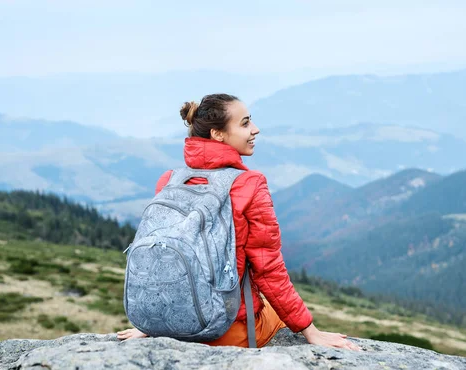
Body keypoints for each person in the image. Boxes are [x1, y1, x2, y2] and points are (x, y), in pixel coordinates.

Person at [117, 93, 359, 350]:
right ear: (218, 134)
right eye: (244, 123)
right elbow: (269, 270)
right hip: (225, 330)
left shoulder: (169, 181)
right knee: (277, 315)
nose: (255, 129)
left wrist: (153, 326)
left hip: (169, 326)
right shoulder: (250, 185)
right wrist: (311, 332)